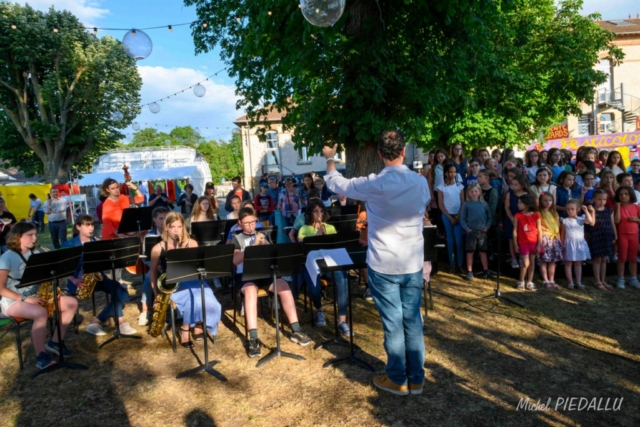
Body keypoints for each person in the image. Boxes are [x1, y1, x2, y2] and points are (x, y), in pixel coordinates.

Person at [322, 130, 430, 396]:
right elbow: (423, 207)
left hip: (384, 265)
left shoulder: (374, 183)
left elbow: (337, 184)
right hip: (412, 262)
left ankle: (397, 378)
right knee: (412, 321)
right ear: (404, 151)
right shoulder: (420, 183)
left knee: (394, 322)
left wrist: (330, 159)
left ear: (379, 154)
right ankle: (415, 378)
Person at [232, 208, 312, 357]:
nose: (251, 225)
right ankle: (254, 338)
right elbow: (235, 261)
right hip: (245, 275)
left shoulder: (264, 235)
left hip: (264, 273)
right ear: (240, 223)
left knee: (284, 287)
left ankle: (296, 329)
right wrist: (253, 247)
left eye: (253, 222)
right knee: (250, 292)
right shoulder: (237, 238)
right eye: (246, 223)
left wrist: (266, 246)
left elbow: (274, 256)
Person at [0, 223, 78, 369]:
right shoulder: (6, 257)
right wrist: (26, 299)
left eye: (35, 234)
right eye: (30, 235)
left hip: (36, 295)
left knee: (71, 303)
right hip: (12, 301)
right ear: (18, 237)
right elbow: (1, 289)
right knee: (41, 313)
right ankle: (40, 355)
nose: (35, 238)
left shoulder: (37, 253)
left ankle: (55, 342)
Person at [149, 212, 222, 347]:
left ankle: (199, 324)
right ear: (166, 228)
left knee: (210, 300)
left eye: (179, 226)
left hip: (194, 280)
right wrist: (156, 295)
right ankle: (186, 328)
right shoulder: (157, 248)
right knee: (192, 298)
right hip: (173, 284)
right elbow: (153, 272)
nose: (177, 230)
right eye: (173, 227)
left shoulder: (192, 243)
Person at [63, 215, 137, 336]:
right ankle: (121, 323)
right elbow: (63, 268)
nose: (91, 228)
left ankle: (97, 322)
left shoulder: (96, 242)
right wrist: (74, 279)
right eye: (87, 225)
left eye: (92, 225)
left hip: (98, 278)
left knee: (120, 290)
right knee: (119, 294)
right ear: (78, 227)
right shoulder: (69, 245)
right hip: (79, 281)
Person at [298, 199, 352, 336]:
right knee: (314, 286)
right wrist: (316, 237)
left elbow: (336, 247)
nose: (319, 214)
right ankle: (319, 310)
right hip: (312, 265)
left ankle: (342, 320)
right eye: (316, 211)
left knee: (342, 279)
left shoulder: (330, 228)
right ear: (310, 213)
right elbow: (301, 248)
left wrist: (327, 238)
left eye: (321, 211)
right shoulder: (304, 229)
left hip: (329, 263)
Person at [138, 207, 169, 325]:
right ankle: (144, 310)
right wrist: (155, 266)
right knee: (148, 279)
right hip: (155, 266)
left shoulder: (172, 232)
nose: (163, 221)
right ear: (154, 220)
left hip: (170, 266)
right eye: (160, 218)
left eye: (166, 218)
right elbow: (146, 257)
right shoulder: (149, 236)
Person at [459, 183, 492, 281]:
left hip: (482, 231)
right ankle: (469, 271)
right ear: (468, 193)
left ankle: (485, 270)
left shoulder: (484, 204)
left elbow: (489, 217)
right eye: (472, 191)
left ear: (479, 192)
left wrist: (487, 227)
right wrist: (467, 228)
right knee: (470, 252)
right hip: (471, 231)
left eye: (476, 191)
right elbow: (462, 219)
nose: (474, 193)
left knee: (483, 251)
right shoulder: (466, 204)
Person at [560, 199, 595, 289]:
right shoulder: (565, 220)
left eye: (572, 209)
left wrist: (586, 210)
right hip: (569, 244)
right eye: (568, 209)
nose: (570, 211)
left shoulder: (581, 219)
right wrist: (562, 244)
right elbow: (562, 234)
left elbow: (591, 222)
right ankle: (570, 282)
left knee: (578, 263)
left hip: (579, 244)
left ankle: (578, 282)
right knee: (568, 263)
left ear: (577, 209)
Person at [587, 190, 616, 291]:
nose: (602, 201)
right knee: (597, 259)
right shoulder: (591, 210)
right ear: (594, 199)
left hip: (607, 236)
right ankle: (597, 281)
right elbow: (591, 223)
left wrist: (615, 235)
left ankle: (603, 280)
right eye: (599, 199)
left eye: (604, 199)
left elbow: (612, 223)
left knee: (604, 259)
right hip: (596, 236)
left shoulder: (609, 210)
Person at [613, 186, 640, 289]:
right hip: (622, 235)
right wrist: (619, 207)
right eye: (621, 194)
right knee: (622, 257)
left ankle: (633, 278)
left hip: (634, 235)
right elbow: (616, 221)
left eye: (626, 194)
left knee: (633, 257)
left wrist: (636, 220)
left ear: (630, 195)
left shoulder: (636, 207)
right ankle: (621, 278)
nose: (623, 196)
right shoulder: (617, 207)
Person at [513, 194, 541, 291]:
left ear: (527, 204)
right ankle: (521, 281)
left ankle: (529, 281)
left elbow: (539, 230)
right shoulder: (518, 215)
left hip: (533, 242)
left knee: (532, 262)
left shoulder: (536, 215)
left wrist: (539, 244)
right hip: (523, 243)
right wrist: (515, 243)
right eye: (518, 202)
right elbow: (515, 230)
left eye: (520, 202)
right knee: (525, 263)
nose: (518, 204)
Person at [503, 174, 531, 268]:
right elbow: (507, 207)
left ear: (522, 185)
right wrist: (511, 218)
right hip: (511, 218)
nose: (513, 187)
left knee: (522, 239)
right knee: (511, 239)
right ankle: (514, 258)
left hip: (523, 221)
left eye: (515, 185)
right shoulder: (509, 194)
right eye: (512, 184)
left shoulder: (527, 195)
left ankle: (521, 257)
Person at [538, 192, 562, 289]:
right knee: (543, 260)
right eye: (545, 200)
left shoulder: (555, 213)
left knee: (552, 261)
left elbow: (557, 227)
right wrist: (539, 243)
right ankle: (545, 280)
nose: (548, 202)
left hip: (554, 239)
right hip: (544, 239)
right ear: (541, 201)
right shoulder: (539, 213)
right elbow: (538, 228)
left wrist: (559, 240)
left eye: (550, 200)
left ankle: (552, 280)